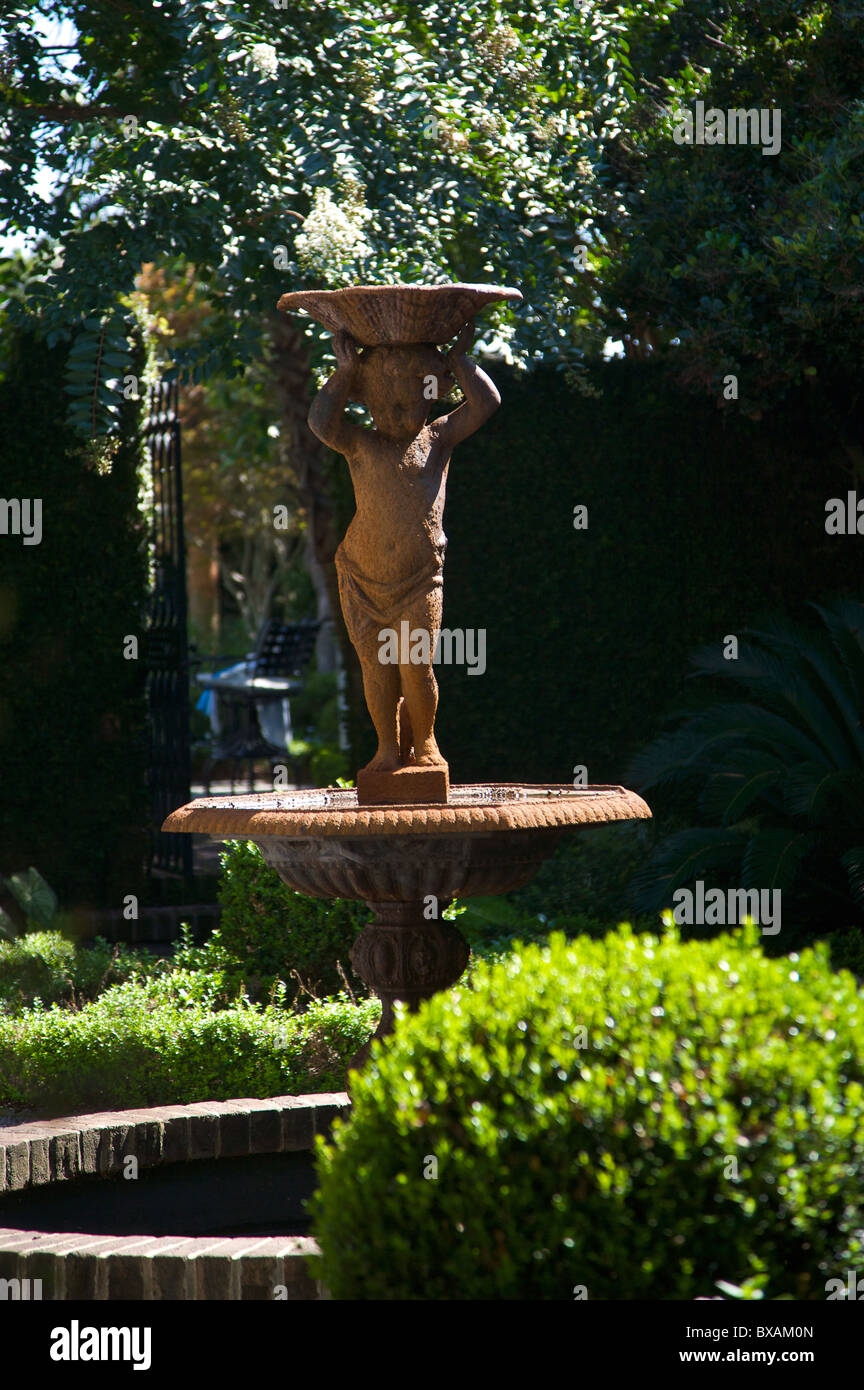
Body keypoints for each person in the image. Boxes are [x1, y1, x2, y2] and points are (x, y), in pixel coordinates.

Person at [307, 320, 500, 777]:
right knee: (376, 671)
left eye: (409, 401)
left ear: (430, 397)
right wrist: (344, 371)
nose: (395, 412)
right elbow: (320, 422)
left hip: (418, 578)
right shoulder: (359, 443)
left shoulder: (437, 439)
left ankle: (426, 740)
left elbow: (487, 402)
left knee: (416, 666)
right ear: (367, 402)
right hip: (362, 576)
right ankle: (386, 750)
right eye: (383, 403)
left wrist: (460, 360)